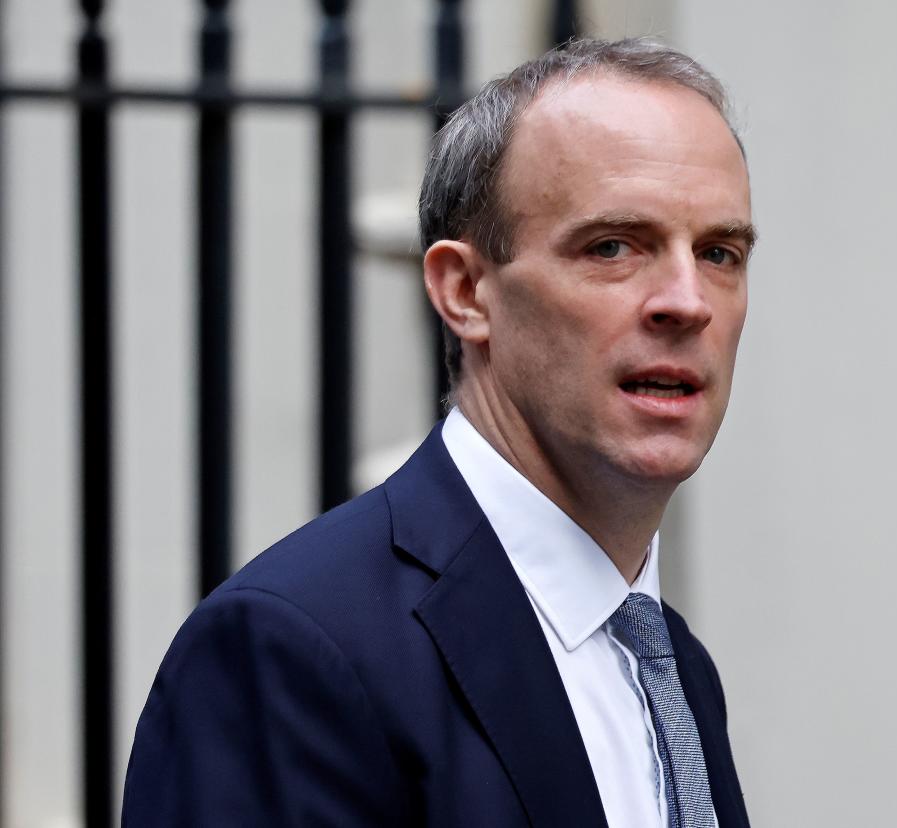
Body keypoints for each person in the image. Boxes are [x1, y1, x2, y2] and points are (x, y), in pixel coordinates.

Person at [123, 37, 755, 827]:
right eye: (613, 246)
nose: (687, 302)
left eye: (720, 252)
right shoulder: (290, 650)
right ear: (465, 292)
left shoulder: (672, 666)